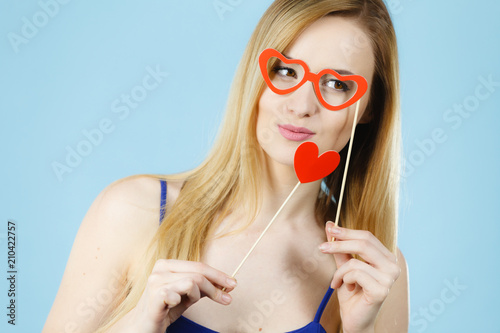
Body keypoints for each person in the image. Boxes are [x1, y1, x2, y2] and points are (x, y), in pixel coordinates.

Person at [43, 0, 409, 332]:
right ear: (256, 75)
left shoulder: (372, 270)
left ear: (371, 108)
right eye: (285, 70)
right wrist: (137, 325)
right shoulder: (133, 211)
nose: (301, 105)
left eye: (336, 84)